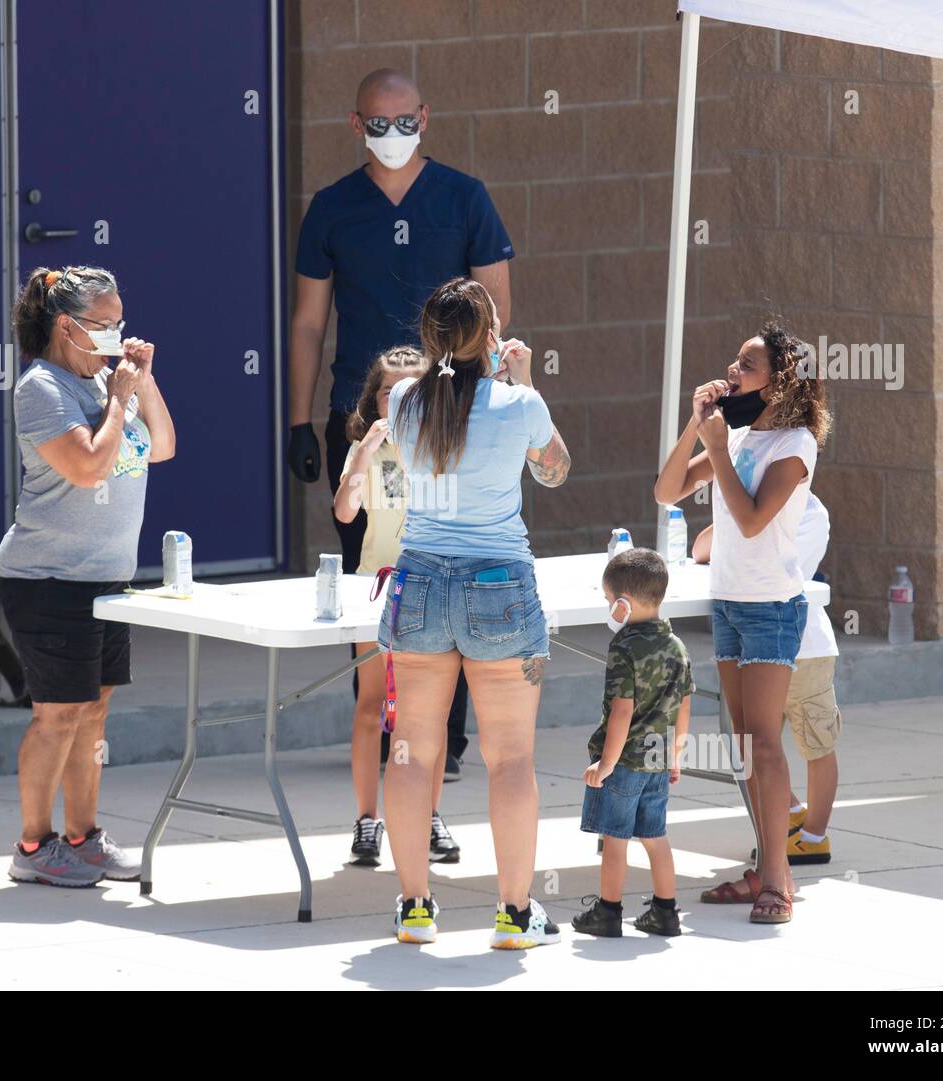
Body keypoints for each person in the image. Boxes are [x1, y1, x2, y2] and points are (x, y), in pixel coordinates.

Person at [288, 67, 515, 777]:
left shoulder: (464, 198)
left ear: (426, 116)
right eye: (378, 125)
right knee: (375, 574)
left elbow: (496, 317)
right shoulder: (331, 208)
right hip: (362, 421)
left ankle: (444, 734)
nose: (394, 136)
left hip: (453, 417)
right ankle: (382, 723)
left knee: (448, 564)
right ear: (356, 126)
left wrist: (497, 410)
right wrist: (300, 421)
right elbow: (306, 323)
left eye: (406, 122)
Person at [379, 277, 571, 948]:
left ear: (428, 338)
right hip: (498, 581)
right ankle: (516, 914)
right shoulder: (520, 403)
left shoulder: (402, 399)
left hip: (422, 579)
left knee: (410, 751)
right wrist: (517, 378)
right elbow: (554, 469)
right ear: (489, 337)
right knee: (511, 757)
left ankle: (414, 906)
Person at [0, 265, 176, 887]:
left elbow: (164, 445)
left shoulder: (107, 379)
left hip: (107, 579)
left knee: (93, 713)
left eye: (120, 322)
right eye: (104, 324)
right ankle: (32, 846)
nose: (115, 335)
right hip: (48, 579)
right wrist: (119, 399)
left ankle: (83, 836)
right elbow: (89, 468)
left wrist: (140, 385)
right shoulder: (41, 387)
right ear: (66, 327)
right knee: (57, 714)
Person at [654, 318, 830, 924]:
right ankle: (763, 866)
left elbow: (752, 519)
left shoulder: (795, 445)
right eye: (735, 361)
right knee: (744, 746)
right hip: (728, 604)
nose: (732, 371)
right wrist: (694, 429)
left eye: (746, 365)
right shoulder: (737, 436)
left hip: (771, 608)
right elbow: (665, 491)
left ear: (780, 385)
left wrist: (719, 448)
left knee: (766, 744)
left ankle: (778, 881)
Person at [334, 346, 460, 866]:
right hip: (377, 585)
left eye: (413, 388)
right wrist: (363, 453)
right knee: (371, 705)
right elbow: (345, 512)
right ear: (376, 399)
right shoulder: (369, 449)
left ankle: (428, 815)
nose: (401, 398)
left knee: (426, 714)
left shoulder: (443, 447)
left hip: (431, 585)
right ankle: (368, 820)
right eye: (390, 390)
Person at [693, 491, 841, 864]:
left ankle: (814, 836)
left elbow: (773, 565)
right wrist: (737, 508)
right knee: (755, 744)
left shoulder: (810, 512)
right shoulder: (743, 505)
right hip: (755, 646)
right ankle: (789, 814)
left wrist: (745, 524)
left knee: (816, 742)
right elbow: (700, 550)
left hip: (805, 649)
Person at [572, 549, 693, 938]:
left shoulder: (624, 648)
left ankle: (608, 912)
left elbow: (622, 711)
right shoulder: (677, 646)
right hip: (658, 760)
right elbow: (684, 707)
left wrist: (605, 764)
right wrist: (675, 756)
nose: (609, 609)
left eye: (609, 602)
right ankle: (665, 912)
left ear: (622, 604)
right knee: (655, 837)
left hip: (624, 762)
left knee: (616, 839)